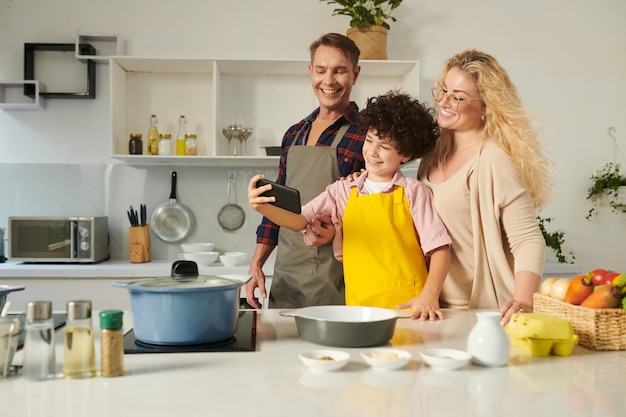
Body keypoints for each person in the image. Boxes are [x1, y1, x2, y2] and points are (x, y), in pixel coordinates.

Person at [327, 49, 552, 324]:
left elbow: (527, 239)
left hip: (480, 312)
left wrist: (524, 301)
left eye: (458, 97)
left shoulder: (493, 160)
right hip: (430, 307)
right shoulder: (433, 157)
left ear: (485, 107)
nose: (444, 102)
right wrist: (359, 190)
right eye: (443, 90)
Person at [248, 91, 452, 320]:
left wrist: (430, 294)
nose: (372, 152)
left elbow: (440, 248)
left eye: (384, 146)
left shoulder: (414, 192)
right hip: (360, 310)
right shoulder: (342, 191)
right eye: (369, 140)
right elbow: (299, 220)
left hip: (411, 309)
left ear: (404, 153)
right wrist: (263, 207)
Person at [245, 33, 366, 309]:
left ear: (355, 74)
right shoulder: (294, 134)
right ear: (311, 71)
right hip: (287, 277)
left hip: (338, 278)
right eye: (321, 70)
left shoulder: (368, 135)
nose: (329, 81)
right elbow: (276, 206)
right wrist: (256, 264)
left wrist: (338, 232)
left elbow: (380, 212)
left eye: (339, 71)